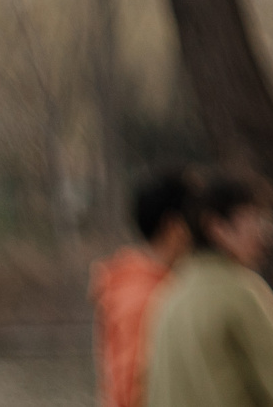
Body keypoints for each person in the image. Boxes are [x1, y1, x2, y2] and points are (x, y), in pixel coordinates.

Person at [146, 169, 273, 407]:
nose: (267, 233)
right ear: (217, 227)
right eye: (255, 219)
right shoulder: (241, 293)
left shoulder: (169, 295)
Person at [92, 166, 198, 407]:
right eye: (198, 219)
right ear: (174, 226)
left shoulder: (141, 281)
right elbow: (130, 389)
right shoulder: (142, 296)